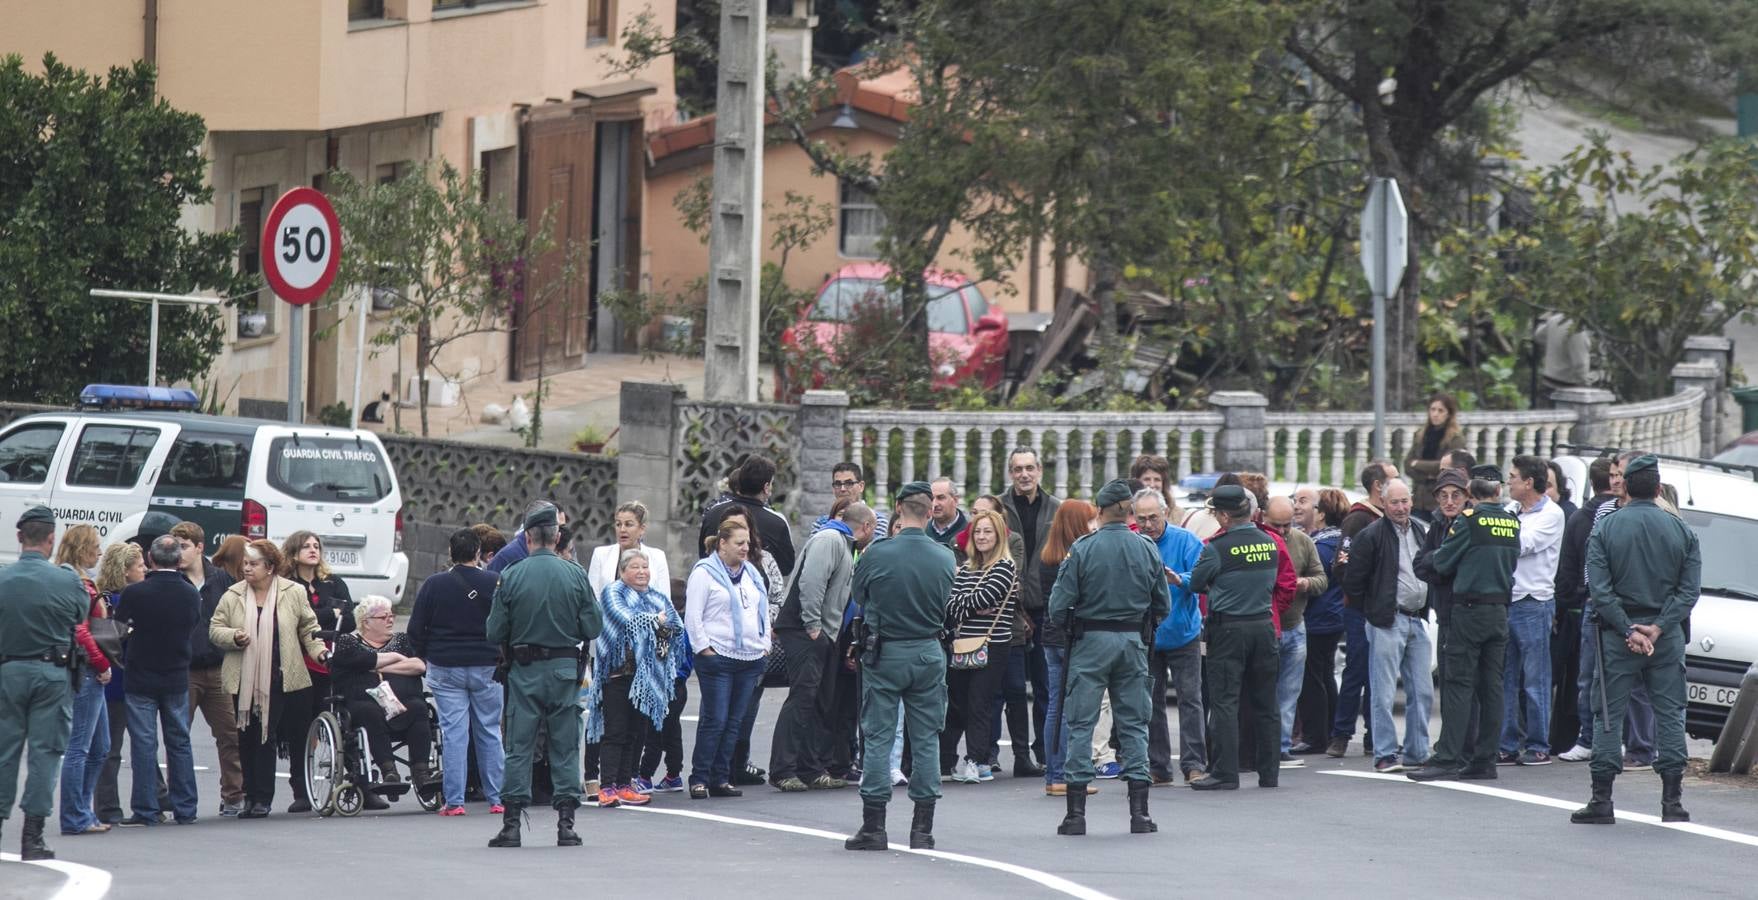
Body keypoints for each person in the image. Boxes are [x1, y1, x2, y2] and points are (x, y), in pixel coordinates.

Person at [1574, 455, 1699, 825]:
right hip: (1666, 636)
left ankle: (1602, 800)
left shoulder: (1606, 528)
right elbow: (1688, 591)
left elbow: (1598, 589)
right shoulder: (1681, 530)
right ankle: (1672, 802)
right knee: (1670, 713)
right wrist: (1658, 627)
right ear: (1658, 489)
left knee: (1608, 715)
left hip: (1617, 636)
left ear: (1625, 486)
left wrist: (1629, 629)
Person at [1049, 479, 1170, 836]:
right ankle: (1139, 813)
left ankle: (1075, 815)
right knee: (1133, 725)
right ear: (1129, 512)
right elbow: (1161, 603)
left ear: (1100, 512)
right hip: (1132, 641)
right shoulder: (1146, 547)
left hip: (1090, 642)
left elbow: (1058, 606)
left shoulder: (1083, 548)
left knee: (1082, 724)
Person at [844, 482, 956, 851]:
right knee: (925, 739)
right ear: (930, 512)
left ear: (897, 508)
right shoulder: (944, 556)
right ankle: (922, 829)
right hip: (927, 652)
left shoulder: (878, 553)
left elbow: (859, 595)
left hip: (886, 652)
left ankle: (874, 826)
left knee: (878, 736)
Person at [485, 504, 603, 848]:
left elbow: (494, 630)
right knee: (565, 746)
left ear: (528, 537)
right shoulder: (575, 574)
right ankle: (566, 824)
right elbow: (592, 626)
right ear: (556, 536)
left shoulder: (512, 574)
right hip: (565, 670)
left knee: (519, 747)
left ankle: (511, 826)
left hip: (524, 671)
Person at [1409, 468, 1519, 781]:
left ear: (1471, 493)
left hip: (1468, 611)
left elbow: (1441, 562)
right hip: (1499, 609)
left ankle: (1448, 757)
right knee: (1492, 688)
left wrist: (1434, 561)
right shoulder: (1511, 522)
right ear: (1498, 492)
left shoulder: (1468, 522)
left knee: (1457, 684)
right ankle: (1485, 759)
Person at [208, 539, 327, 819]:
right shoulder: (233, 594)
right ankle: (248, 795)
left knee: (266, 735)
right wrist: (234, 636)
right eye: (245, 564)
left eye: (253, 564)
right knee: (245, 736)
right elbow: (215, 628)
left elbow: (309, 627)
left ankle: (262, 797)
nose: (247, 569)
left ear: (270, 567)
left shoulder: (293, 592)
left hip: (279, 675)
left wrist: (320, 652)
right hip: (243, 676)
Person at [0, 507, 92, 860]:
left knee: (5, 753)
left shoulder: (4, 578)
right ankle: (32, 836)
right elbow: (79, 616)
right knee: (46, 754)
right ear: (51, 539)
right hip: (51, 673)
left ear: (20, 538)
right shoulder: (66, 580)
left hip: (9, 671)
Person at [770, 503, 875, 791]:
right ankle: (783, 770)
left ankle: (810, 768)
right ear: (865, 526)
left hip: (822, 633)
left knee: (818, 702)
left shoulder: (843, 543)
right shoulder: (830, 539)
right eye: (873, 528)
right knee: (802, 699)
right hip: (805, 630)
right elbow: (811, 582)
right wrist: (813, 625)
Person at [1188, 486, 1281, 792]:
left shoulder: (1218, 547)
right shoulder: (1268, 542)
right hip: (1264, 627)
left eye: (1215, 513)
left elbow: (1198, 582)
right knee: (1266, 702)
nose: (1214, 518)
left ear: (1225, 515)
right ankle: (1269, 773)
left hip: (1229, 630)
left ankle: (1225, 772)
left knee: (1225, 702)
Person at [408, 527, 505, 817]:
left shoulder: (434, 584)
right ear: (478, 552)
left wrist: (427, 656)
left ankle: (454, 801)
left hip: (445, 665)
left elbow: (415, 629)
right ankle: (497, 798)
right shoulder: (496, 582)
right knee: (489, 730)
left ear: (451, 553)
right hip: (487, 665)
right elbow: (506, 622)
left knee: (454, 733)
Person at [1341, 479, 1433, 773]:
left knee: (1422, 689)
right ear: (1383, 503)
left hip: (1417, 618)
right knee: (1382, 692)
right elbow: (1352, 580)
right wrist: (1374, 610)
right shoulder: (1371, 535)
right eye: (1394, 502)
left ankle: (1418, 751)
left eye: (1405, 501)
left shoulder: (1420, 529)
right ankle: (1384, 754)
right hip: (1387, 619)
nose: (1401, 507)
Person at [113, 535, 202, 827]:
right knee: (179, 742)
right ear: (178, 560)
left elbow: (119, 629)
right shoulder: (190, 593)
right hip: (176, 673)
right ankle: (186, 807)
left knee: (143, 743)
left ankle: (146, 808)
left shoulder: (136, 593)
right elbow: (192, 625)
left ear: (151, 559)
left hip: (141, 674)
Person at [586, 549, 686, 807]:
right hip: (617, 673)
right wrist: (656, 620)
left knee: (635, 732)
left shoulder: (656, 596)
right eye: (635, 567)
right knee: (615, 732)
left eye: (645, 567)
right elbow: (625, 618)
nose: (642, 572)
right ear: (622, 571)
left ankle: (624, 784)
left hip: (645, 676)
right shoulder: (613, 592)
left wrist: (660, 622)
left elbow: (675, 624)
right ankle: (606, 786)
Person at [685, 518, 771, 800]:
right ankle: (700, 778)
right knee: (715, 719)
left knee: (735, 721)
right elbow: (693, 617)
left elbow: (762, 608)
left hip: (749, 657)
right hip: (718, 657)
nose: (746, 548)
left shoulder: (752, 574)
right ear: (722, 544)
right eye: (739, 543)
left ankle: (721, 778)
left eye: (747, 543)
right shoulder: (705, 572)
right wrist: (704, 649)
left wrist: (765, 643)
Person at [330, 594, 434, 807]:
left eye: (391, 615)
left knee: (419, 707)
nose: (390, 620)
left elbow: (419, 666)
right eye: (384, 616)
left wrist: (379, 666)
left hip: (403, 704)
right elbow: (364, 659)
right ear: (366, 622)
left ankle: (421, 773)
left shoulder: (402, 640)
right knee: (370, 711)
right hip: (362, 706)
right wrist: (396, 658)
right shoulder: (347, 642)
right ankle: (389, 771)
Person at [280, 530, 356, 813]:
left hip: (332, 661)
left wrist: (316, 616)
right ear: (293, 551)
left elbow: (348, 620)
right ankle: (301, 789)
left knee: (345, 722)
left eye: (316, 546)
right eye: (306, 546)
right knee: (299, 727)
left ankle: (357, 782)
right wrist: (328, 615)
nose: (313, 550)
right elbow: (292, 621)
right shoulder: (287, 584)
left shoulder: (333, 582)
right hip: (298, 662)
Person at [941, 509, 1019, 784]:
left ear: (999, 536)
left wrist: (967, 604)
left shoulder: (1005, 567)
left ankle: (977, 761)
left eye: (988, 531)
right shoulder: (967, 567)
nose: (982, 536)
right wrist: (970, 605)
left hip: (993, 645)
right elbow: (949, 605)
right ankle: (946, 762)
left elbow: (981, 598)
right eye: (978, 531)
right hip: (961, 645)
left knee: (979, 704)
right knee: (957, 704)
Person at [1499, 455, 1566, 766]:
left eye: (1513, 476)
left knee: (1535, 678)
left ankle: (1538, 745)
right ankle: (1506, 744)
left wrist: (1497, 533)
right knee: (1506, 678)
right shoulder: (1511, 510)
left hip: (1534, 603)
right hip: (1506, 601)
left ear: (1528, 482)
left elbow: (1521, 544)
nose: (1508, 481)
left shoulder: (1551, 515)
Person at [173, 522, 243, 818]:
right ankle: (179, 800)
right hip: (184, 670)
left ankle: (233, 796)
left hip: (218, 669)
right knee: (178, 737)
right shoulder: (173, 580)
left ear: (200, 547)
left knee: (229, 735)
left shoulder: (221, 579)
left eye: (184, 546)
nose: (178, 552)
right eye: (175, 546)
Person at [1137, 489, 1207, 785]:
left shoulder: (1185, 540)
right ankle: (1158, 766)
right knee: (1150, 703)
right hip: (1148, 635)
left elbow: (1203, 577)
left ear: (1165, 512)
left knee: (1190, 700)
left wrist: (1180, 578)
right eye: (1141, 519)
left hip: (1183, 633)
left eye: (1153, 517)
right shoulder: (1134, 542)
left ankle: (1193, 764)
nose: (1148, 524)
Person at [1326, 462, 1395, 758]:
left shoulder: (1392, 518)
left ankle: (1374, 735)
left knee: (1380, 674)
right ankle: (1341, 734)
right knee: (1357, 669)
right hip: (1361, 609)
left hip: (1386, 609)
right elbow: (1342, 565)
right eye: (1392, 479)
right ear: (1378, 486)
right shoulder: (1358, 520)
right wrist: (1363, 598)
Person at [1000, 448, 1060, 771]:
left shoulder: (1056, 508)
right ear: (1010, 473)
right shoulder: (1000, 507)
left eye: (1029, 468)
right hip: (1007, 610)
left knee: (1045, 686)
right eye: (1017, 469)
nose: (1024, 474)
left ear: (1039, 471)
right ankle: (1018, 755)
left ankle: (1046, 754)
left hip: (1044, 607)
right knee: (1009, 688)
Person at [54, 525, 114, 837]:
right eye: (96, 546)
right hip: (87, 669)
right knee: (81, 746)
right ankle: (75, 815)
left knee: (100, 745)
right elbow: (80, 629)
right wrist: (102, 663)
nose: (100, 552)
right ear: (82, 549)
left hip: (87, 669)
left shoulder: (74, 579)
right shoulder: (77, 583)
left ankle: (81, 810)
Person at [1036, 500, 1099, 797]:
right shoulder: (1079, 557)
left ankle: (1054, 774)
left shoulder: (1047, 557)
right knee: (1075, 709)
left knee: (1055, 707)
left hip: (1050, 635)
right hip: (1073, 637)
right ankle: (1065, 773)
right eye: (1089, 521)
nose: (1094, 526)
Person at [94, 543, 152, 826]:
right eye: (140, 566)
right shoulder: (111, 601)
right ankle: (107, 806)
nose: (145, 570)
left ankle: (155, 797)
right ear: (125, 571)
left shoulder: (114, 598)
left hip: (126, 679)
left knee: (141, 743)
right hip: (117, 681)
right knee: (113, 748)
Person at [1267, 496, 1325, 765]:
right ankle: (1262, 746)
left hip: (1295, 625)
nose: (1281, 531)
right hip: (1267, 628)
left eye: (1286, 525)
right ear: (1263, 517)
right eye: (1275, 524)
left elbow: (1322, 578)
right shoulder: (1260, 541)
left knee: (1289, 694)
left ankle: (1280, 747)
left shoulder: (1303, 541)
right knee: (1264, 691)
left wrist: (1304, 583)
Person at [1293, 489, 1349, 754]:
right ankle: (1328, 731)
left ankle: (1316, 735)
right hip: (1333, 616)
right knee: (1324, 675)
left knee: (1313, 679)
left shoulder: (1322, 545)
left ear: (1322, 513)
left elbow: (1317, 583)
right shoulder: (1338, 540)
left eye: (1307, 504)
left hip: (1319, 618)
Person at [699, 455, 797, 575]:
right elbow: (786, 566)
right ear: (766, 487)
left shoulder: (713, 512)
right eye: (771, 483)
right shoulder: (777, 522)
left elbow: (703, 553)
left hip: (714, 582)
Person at [588, 502, 672, 602]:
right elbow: (592, 599)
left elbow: (665, 602)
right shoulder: (600, 555)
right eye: (618, 524)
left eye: (628, 524)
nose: (622, 529)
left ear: (642, 529)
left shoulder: (658, 557)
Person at [1405, 393, 1467, 521]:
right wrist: (1428, 476)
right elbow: (1407, 464)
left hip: (1440, 502)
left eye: (1440, 410)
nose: (1435, 414)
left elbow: (1447, 466)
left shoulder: (1455, 439)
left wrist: (1417, 464)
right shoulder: (1420, 435)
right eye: (1432, 409)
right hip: (1418, 500)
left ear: (1449, 413)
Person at [487, 500, 570, 574]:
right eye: (556, 526)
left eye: (562, 527)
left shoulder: (564, 550)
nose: (561, 531)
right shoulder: (505, 558)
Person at [815, 462, 891, 538]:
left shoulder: (878, 521)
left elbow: (872, 548)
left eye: (848, 483)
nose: (842, 489)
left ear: (861, 486)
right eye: (838, 484)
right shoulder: (821, 523)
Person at [925, 477, 970, 547]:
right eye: (931, 498)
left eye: (940, 498)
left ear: (955, 500)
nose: (934, 504)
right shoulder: (922, 531)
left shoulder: (970, 533)